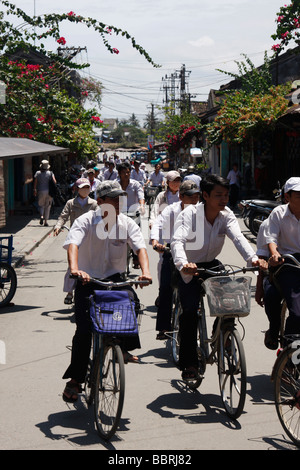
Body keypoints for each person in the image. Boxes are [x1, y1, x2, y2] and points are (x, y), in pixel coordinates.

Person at [62, 180, 152, 403]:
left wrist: (146, 272)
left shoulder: (126, 223)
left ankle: (122, 348)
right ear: (100, 202)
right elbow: (73, 244)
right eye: (113, 199)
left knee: (132, 303)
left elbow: (140, 247)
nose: (118, 203)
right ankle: (75, 379)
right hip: (87, 278)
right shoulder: (85, 221)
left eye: (119, 199)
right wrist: (75, 270)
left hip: (113, 279)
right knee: (84, 332)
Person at [171, 174, 266, 380]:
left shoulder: (227, 215)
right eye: (219, 195)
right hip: (189, 265)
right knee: (189, 313)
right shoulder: (189, 215)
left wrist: (253, 258)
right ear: (205, 195)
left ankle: (222, 334)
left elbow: (238, 238)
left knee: (232, 299)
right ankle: (189, 363)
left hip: (211, 263)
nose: (224, 199)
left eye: (226, 195)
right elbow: (177, 241)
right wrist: (183, 264)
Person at [150, 180, 200, 340]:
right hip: (171, 252)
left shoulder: (202, 211)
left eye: (197, 197)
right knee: (165, 289)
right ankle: (164, 328)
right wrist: (155, 241)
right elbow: (158, 223)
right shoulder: (171, 210)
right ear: (181, 196)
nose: (194, 200)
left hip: (194, 255)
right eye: (190, 197)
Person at [53, 178, 98, 305]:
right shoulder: (70, 203)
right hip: (75, 239)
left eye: (87, 187)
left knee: (91, 264)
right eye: (83, 187)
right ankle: (69, 293)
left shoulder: (94, 204)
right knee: (71, 266)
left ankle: (92, 290)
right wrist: (57, 226)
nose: (85, 190)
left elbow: (100, 218)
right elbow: (63, 216)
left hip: (90, 238)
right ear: (77, 189)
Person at [266, 176, 300, 337]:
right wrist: (274, 254)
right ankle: (289, 352)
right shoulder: (278, 213)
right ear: (287, 197)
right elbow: (271, 238)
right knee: (297, 312)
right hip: (287, 263)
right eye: (299, 195)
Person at [255, 219, 283, 350]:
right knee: (271, 296)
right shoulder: (268, 224)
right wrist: (259, 288)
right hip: (275, 273)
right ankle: (274, 330)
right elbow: (262, 257)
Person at [33, 159, 56, 227]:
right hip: (49, 192)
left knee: (41, 205)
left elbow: (35, 182)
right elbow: (55, 182)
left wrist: (34, 190)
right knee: (47, 206)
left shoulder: (37, 173)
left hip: (40, 191)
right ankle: (45, 221)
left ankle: (42, 216)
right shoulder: (50, 173)